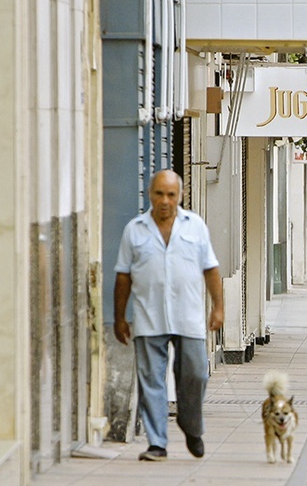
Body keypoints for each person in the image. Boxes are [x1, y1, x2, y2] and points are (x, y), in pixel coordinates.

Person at [113, 170, 224, 462]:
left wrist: (219, 307)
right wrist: (120, 316)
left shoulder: (195, 226)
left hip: (188, 317)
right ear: (150, 194)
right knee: (151, 380)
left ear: (180, 196)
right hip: (149, 316)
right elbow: (123, 276)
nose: (165, 201)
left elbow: (211, 269)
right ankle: (157, 443)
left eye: (171, 195)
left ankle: (191, 425)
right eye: (159, 194)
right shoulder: (134, 229)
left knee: (196, 375)